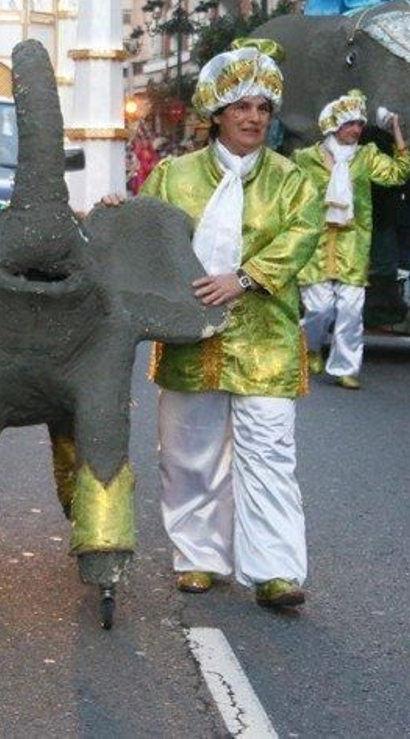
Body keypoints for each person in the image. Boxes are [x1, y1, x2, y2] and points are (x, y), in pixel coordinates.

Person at [131, 39, 323, 610]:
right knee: (188, 454)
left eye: (263, 108)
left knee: (269, 453)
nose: (253, 118)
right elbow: (148, 236)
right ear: (216, 113)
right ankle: (198, 558)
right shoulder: (173, 176)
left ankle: (276, 572)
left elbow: (301, 236)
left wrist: (243, 278)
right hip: (191, 339)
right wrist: (124, 212)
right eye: (241, 106)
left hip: (264, 340)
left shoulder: (292, 180)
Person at [293, 90, 410, 390]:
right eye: (350, 124)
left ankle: (346, 367)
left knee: (349, 309)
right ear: (335, 126)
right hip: (315, 244)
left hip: (353, 245)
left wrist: (396, 130)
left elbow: (399, 173)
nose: (357, 130)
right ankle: (309, 348)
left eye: (360, 124)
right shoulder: (306, 159)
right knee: (319, 308)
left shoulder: (367, 156)